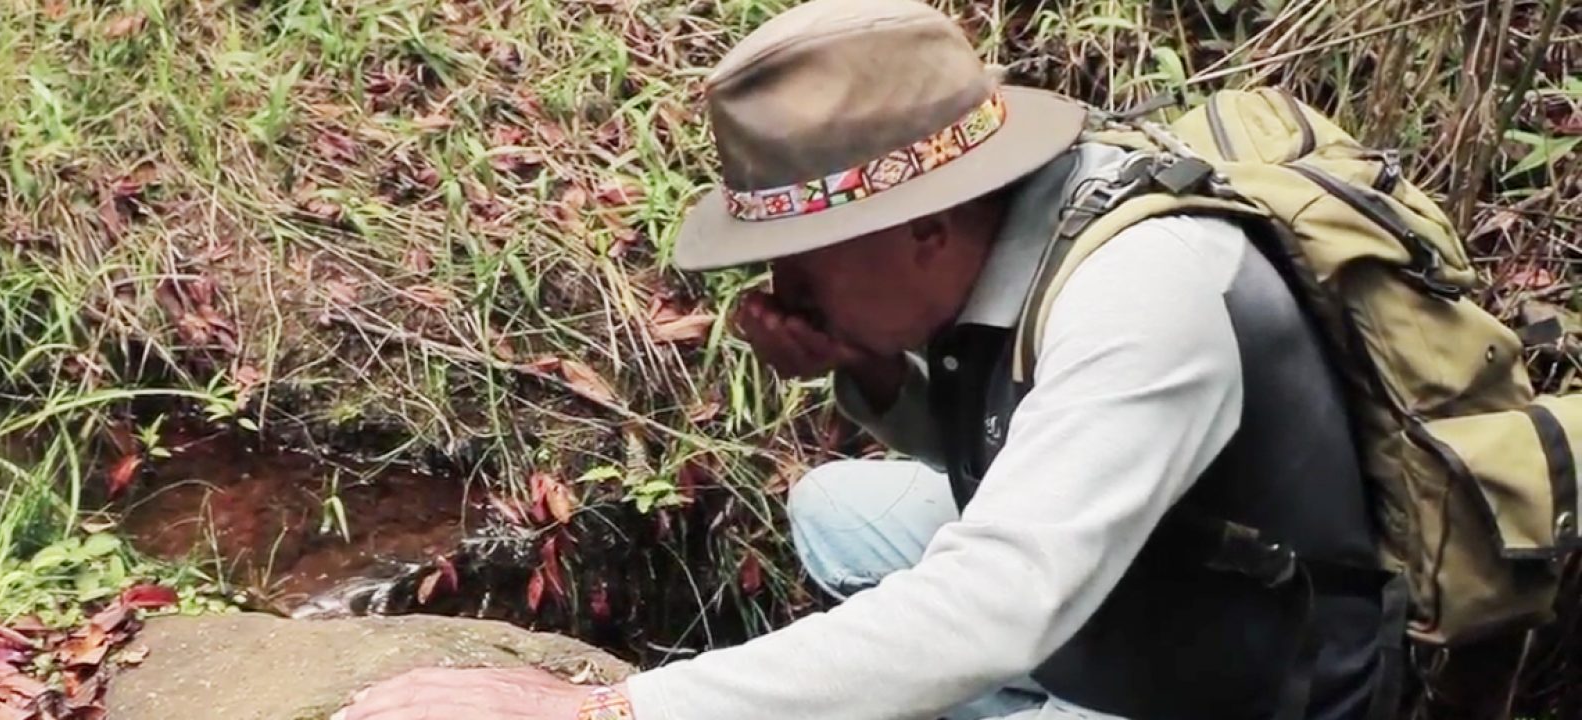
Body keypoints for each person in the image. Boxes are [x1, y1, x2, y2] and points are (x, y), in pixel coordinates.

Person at [334, 0, 1400, 718]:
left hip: (1255, 666)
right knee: (834, 508)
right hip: (1147, 569)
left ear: (922, 227)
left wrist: (612, 706)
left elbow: (1000, 598)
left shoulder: (1143, 291)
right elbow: (1013, 441)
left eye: (798, 262)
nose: (777, 290)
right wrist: (879, 375)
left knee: (969, 632)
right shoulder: (1022, 217)